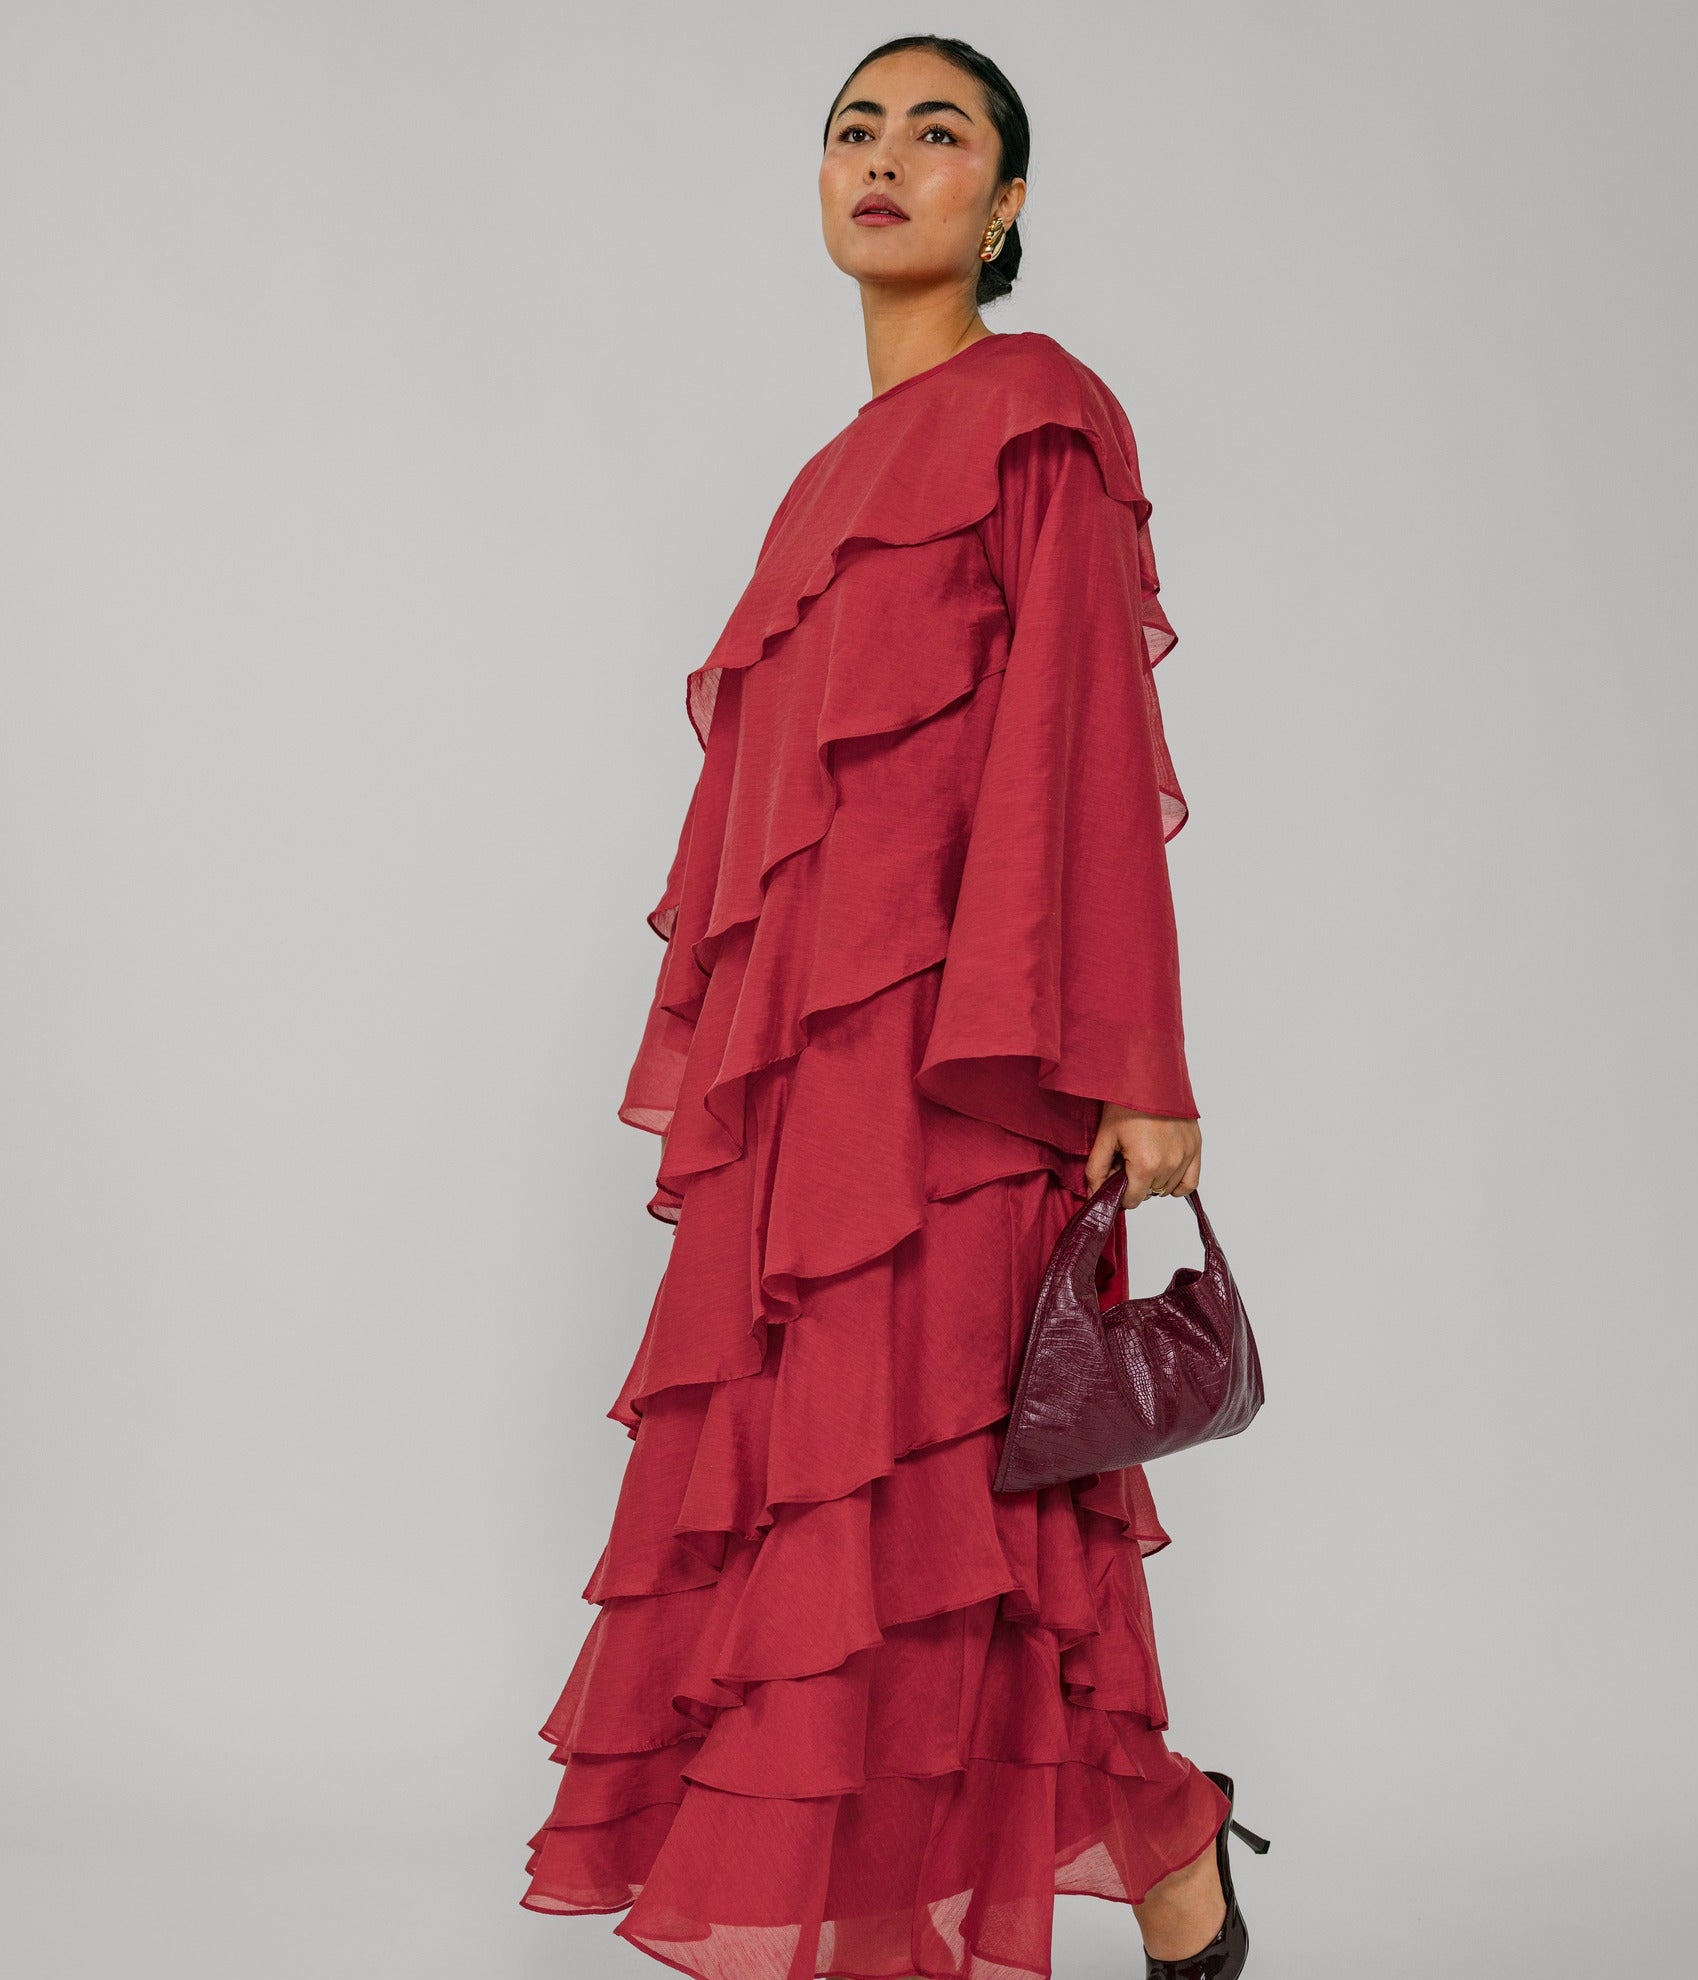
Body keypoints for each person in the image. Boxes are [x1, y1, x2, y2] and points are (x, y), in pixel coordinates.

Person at [522, 32, 1269, 1980]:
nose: (886, 159)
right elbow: (775, 839)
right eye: (854, 129)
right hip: (821, 1108)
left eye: (940, 134)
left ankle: (1131, 1868)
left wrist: (1139, 1068)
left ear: (1007, 203)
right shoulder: (817, 492)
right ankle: (1152, 1873)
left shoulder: (1042, 415)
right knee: (866, 1536)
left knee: (982, 1515)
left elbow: (1092, 750)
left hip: (978, 1087)